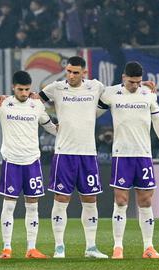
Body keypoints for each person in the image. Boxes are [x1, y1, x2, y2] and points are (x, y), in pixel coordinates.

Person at [38, 56, 110, 259]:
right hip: (64, 152)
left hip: (87, 152)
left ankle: (91, 247)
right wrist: (50, 126)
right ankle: (59, 246)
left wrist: (144, 89)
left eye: (75, 72)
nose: (70, 75)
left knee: (90, 199)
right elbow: (34, 102)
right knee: (61, 199)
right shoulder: (57, 87)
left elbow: (115, 95)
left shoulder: (95, 87)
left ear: (84, 73)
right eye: (68, 71)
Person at [98, 62, 159, 259]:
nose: (135, 86)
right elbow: (92, 107)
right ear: (123, 77)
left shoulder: (148, 93)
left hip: (144, 155)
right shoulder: (111, 93)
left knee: (146, 200)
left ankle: (148, 247)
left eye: (138, 82)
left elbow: (157, 120)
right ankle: (118, 247)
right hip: (122, 155)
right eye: (131, 82)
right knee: (121, 200)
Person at [0, 71, 58, 259]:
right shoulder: (3, 104)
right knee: (9, 206)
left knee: (33, 206)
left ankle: (31, 248)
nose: (24, 93)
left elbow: (50, 126)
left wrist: (68, 133)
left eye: (27, 89)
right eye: (20, 89)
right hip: (12, 161)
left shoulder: (36, 106)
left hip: (32, 161)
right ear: (13, 87)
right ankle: (7, 247)